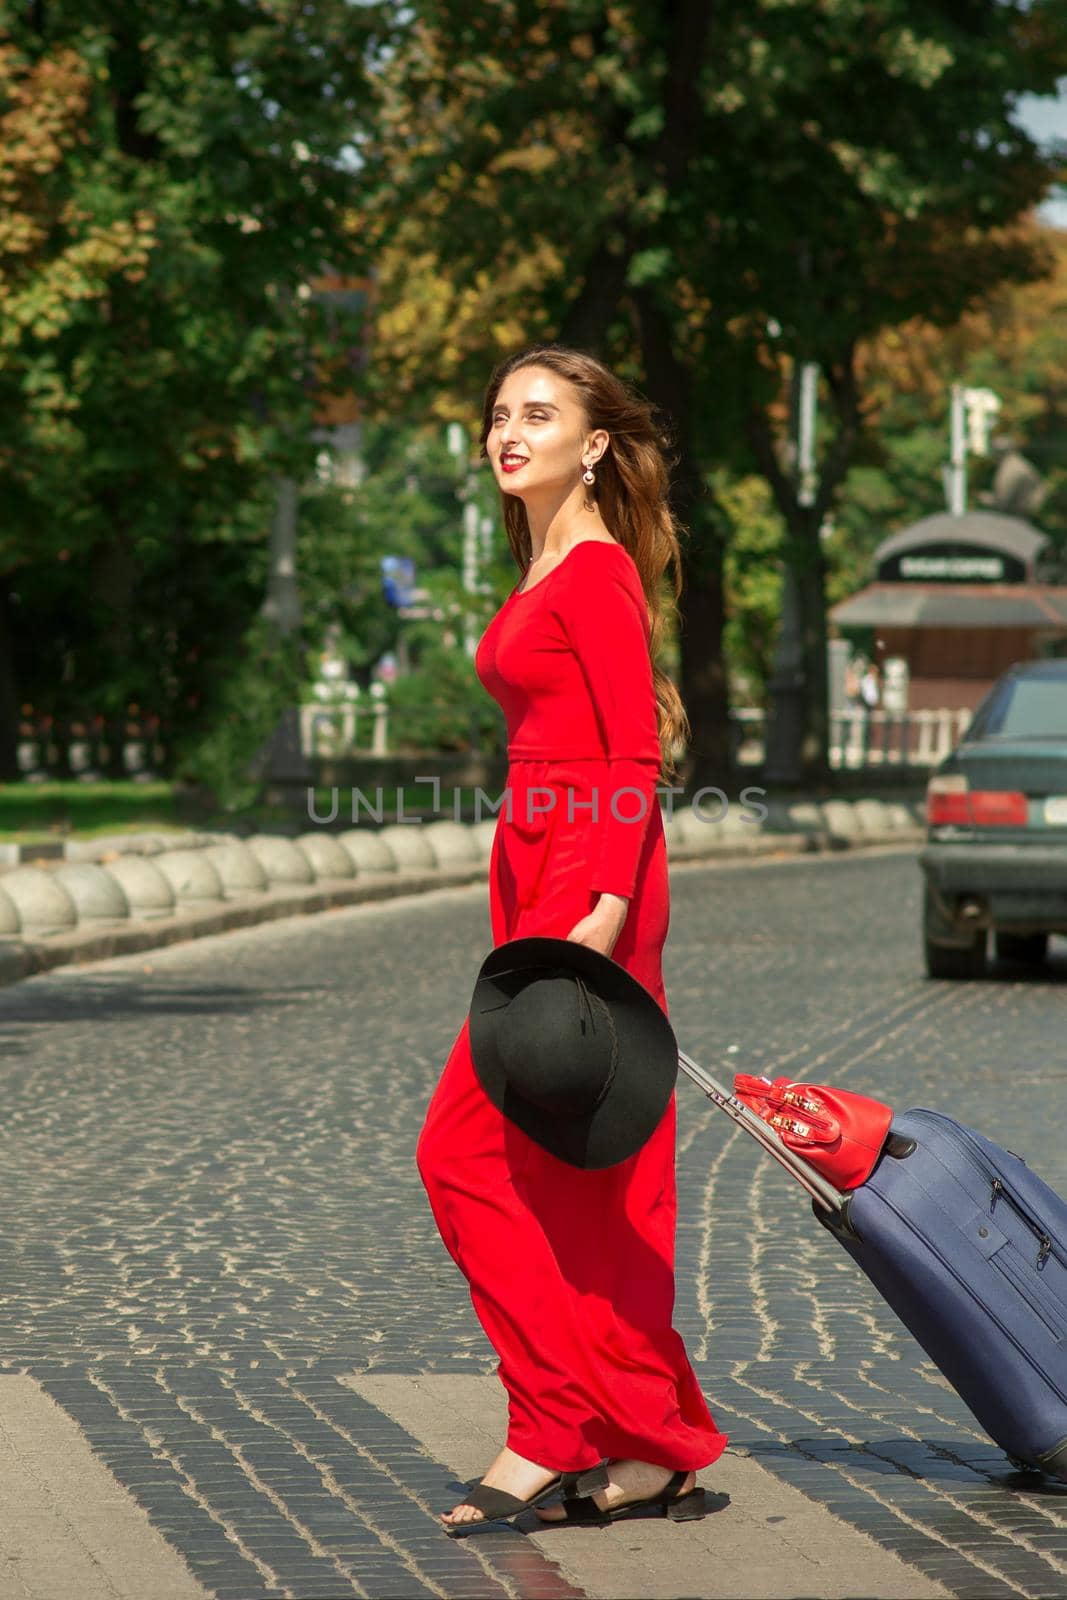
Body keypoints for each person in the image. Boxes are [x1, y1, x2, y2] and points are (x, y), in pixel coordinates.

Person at [415, 342, 728, 1534]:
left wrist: (593, 912)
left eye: (536, 414)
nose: (507, 432)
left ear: (594, 442)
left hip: (583, 883)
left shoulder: (590, 570)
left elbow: (630, 755)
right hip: (546, 867)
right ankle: (650, 1441)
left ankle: (548, 1427)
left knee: (460, 1153)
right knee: (579, 1180)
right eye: (498, 413)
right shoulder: (546, 554)